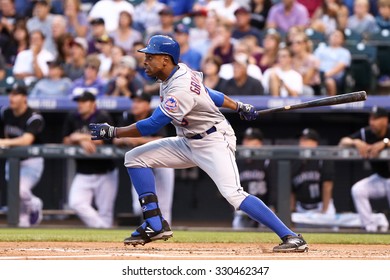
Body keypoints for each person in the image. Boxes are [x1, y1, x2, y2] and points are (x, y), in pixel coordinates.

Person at [89, 34, 308, 252]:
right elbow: (209, 93)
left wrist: (113, 131)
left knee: (234, 194)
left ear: (165, 59)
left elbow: (152, 125)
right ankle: (154, 224)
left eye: (150, 57)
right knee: (134, 158)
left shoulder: (180, 87)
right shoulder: (179, 72)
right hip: (187, 141)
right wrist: (238, 106)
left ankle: (291, 237)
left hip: (213, 141)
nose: (145, 61)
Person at [113, 91, 175, 224]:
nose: (135, 105)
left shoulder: (156, 114)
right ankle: (152, 228)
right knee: (138, 207)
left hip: (162, 161)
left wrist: (136, 140)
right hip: (140, 163)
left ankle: (166, 234)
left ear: (148, 105)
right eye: (134, 101)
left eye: (139, 102)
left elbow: (160, 138)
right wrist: (127, 139)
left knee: (164, 205)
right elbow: (115, 139)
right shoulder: (127, 117)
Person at [62, 89, 119, 228]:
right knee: (76, 203)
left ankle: (104, 235)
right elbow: (65, 140)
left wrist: (78, 137)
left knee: (106, 211)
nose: (80, 105)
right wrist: (82, 141)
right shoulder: (72, 117)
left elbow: (103, 139)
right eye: (78, 102)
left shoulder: (102, 116)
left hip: (105, 171)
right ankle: (104, 229)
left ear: (93, 103)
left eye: (84, 102)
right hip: (83, 171)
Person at [338, 106, 390, 232]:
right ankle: (369, 228)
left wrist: (385, 142)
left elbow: (386, 140)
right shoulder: (366, 133)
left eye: (376, 118)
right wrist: (355, 142)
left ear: (385, 120)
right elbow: (342, 142)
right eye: (371, 118)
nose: (372, 122)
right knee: (358, 189)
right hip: (381, 178)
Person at [0, 85, 45, 227]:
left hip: (31, 161)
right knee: (16, 197)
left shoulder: (34, 117)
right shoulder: (6, 112)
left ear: (24, 97)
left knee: (20, 190)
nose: (11, 98)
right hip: (12, 160)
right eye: (10, 94)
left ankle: (35, 204)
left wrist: (4, 142)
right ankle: (23, 224)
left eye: (15, 95)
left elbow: (27, 140)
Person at [232, 127, 274, 229]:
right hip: (243, 207)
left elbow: (274, 185)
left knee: (267, 233)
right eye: (245, 139)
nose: (246, 142)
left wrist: (273, 205)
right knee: (238, 225)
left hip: (264, 206)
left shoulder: (267, 160)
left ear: (259, 143)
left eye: (250, 140)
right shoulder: (238, 161)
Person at [291, 128, 336, 217]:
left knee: (331, 228)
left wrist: (324, 210)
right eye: (301, 140)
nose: (302, 143)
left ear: (315, 143)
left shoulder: (323, 159)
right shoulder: (295, 162)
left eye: (306, 140)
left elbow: (327, 185)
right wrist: (292, 210)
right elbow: (291, 189)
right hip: (301, 208)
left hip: (321, 205)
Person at [313, 29, 351, 96]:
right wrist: (316, 74)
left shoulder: (344, 52)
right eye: (333, 35)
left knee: (329, 82)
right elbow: (315, 62)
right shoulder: (321, 49)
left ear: (342, 40)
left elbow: (340, 67)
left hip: (335, 77)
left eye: (338, 36)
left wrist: (323, 76)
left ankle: (331, 104)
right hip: (318, 74)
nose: (335, 37)